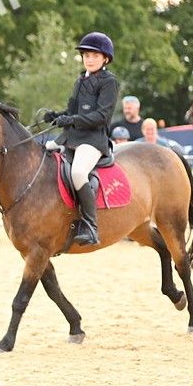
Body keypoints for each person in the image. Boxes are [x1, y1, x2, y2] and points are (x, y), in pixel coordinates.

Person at [42, 31, 120, 247]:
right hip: (72, 136)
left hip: (93, 139)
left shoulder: (109, 81)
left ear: (105, 58)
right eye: (86, 55)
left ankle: (91, 226)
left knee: (77, 172)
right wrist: (57, 115)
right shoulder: (81, 80)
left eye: (94, 55)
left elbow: (102, 116)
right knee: (42, 152)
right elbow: (71, 109)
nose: (89, 59)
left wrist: (71, 119)